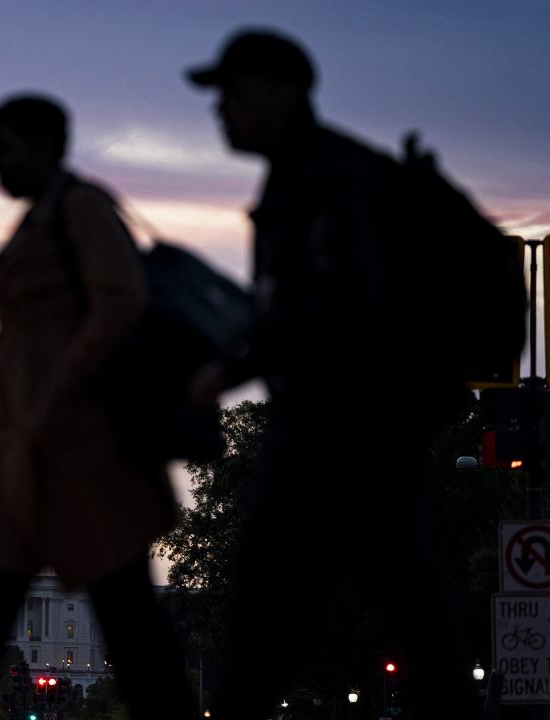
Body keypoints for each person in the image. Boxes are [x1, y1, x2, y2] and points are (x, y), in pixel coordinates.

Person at [186, 28, 475, 718]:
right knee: (391, 607)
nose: (219, 109)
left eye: (233, 94)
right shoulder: (310, 175)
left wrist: (236, 365)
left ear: (282, 93)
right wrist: (231, 366)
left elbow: (337, 302)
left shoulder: (330, 180)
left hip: (341, 426)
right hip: (348, 427)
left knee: (278, 608)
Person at [0, 94, 192, 720]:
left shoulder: (84, 211)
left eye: (4, 149)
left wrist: (58, 394)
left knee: (132, 629)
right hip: (21, 465)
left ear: (46, 146)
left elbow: (120, 305)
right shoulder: (38, 222)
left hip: (83, 458)